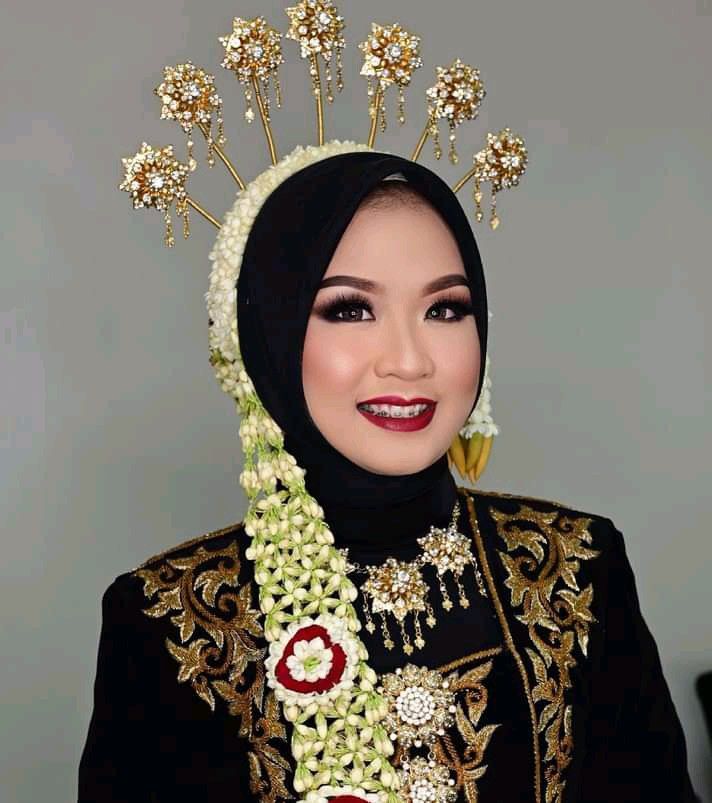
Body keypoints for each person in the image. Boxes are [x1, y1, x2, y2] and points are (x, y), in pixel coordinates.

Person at [79, 149, 699, 802]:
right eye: (349, 309)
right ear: (269, 332)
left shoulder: (573, 568)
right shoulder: (169, 616)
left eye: (445, 309)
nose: (408, 360)